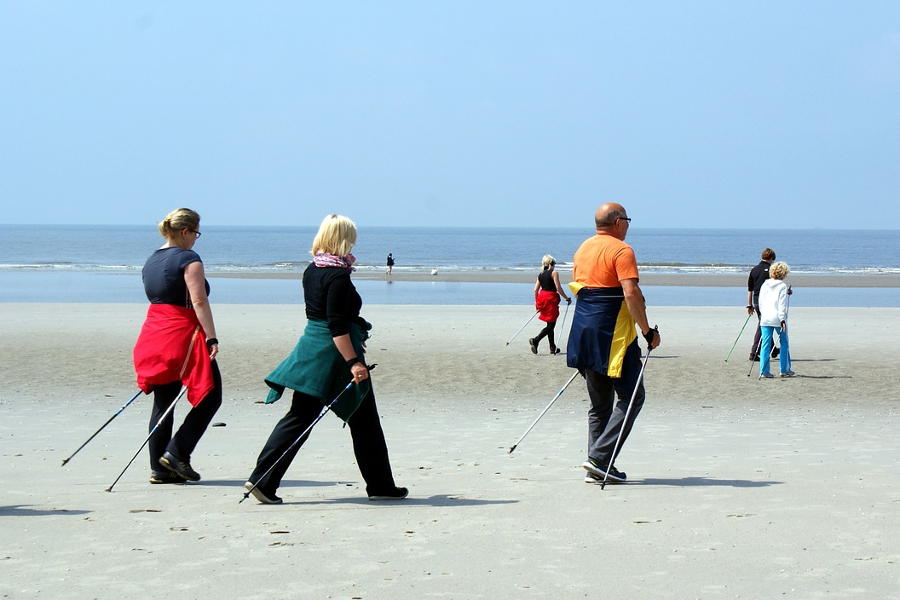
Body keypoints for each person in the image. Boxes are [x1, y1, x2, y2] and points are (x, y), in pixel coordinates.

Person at [246, 214, 406, 504]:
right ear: (343, 239)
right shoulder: (338, 276)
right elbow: (336, 326)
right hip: (331, 355)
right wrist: (354, 363)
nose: (354, 243)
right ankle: (263, 480)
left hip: (313, 348)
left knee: (352, 418)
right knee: (308, 417)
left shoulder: (313, 269)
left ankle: (381, 485)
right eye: (352, 238)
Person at [567, 203, 660, 484]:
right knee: (633, 396)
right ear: (618, 222)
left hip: (584, 333)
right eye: (628, 220)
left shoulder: (583, 248)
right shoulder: (622, 250)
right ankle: (600, 458)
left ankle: (597, 465)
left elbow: (593, 286)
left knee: (600, 405)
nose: (629, 225)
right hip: (613, 335)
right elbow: (629, 293)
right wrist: (647, 331)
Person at [133, 208, 222, 484]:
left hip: (154, 333)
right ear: (185, 231)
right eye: (196, 233)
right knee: (211, 395)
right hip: (182, 334)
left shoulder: (151, 260)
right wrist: (211, 337)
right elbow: (198, 301)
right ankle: (177, 453)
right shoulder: (189, 259)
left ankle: (159, 469)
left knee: (164, 401)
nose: (196, 239)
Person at [758, 261, 795, 379]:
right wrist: (782, 319)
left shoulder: (765, 284)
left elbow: (761, 301)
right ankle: (784, 370)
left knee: (765, 344)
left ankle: (764, 371)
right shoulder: (782, 286)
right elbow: (782, 305)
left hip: (765, 318)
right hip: (778, 319)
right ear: (783, 273)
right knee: (784, 343)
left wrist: (763, 314)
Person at [528, 254, 571, 355]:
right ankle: (536, 340)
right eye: (554, 263)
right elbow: (558, 288)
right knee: (551, 325)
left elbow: (535, 290)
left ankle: (552, 347)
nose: (555, 265)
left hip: (542, 299)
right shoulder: (554, 273)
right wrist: (567, 298)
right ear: (551, 264)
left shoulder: (540, 274)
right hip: (551, 299)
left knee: (549, 324)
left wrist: (537, 304)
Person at [747, 248, 780, 361]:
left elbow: (750, 289)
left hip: (756, 301)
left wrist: (749, 305)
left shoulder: (754, 269)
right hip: (766, 301)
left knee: (764, 324)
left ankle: (774, 349)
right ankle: (754, 352)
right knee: (763, 326)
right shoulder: (771, 270)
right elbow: (775, 286)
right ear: (771, 258)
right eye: (773, 260)